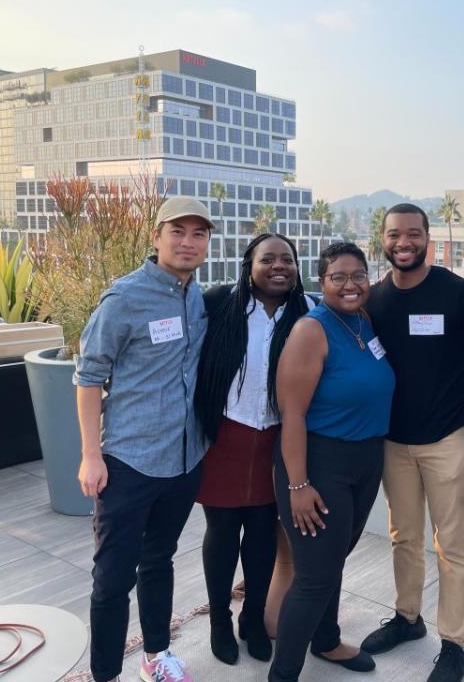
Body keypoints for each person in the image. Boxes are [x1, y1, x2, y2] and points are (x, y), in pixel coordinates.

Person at [74, 196, 213, 682]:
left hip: (183, 461)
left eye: (198, 234)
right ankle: (105, 673)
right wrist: (92, 456)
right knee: (112, 577)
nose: (188, 242)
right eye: (178, 231)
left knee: (160, 560)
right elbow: (88, 377)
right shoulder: (124, 298)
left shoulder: (196, 295)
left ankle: (156, 655)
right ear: (156, 238)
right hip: (129, 462)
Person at [360, 203, 464, 682]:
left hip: (446, 439)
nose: (404, 242)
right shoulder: (373, 300)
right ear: (384, 239)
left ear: (427, 237)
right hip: (393, 441)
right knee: (403, 537)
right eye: (395, 234)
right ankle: (408, 618)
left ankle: (456, 644)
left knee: (451, 544)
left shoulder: (457, 293)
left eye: (413, 233)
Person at [269, 242, 396, 682]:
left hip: (365, 459)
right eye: (337, 277)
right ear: (320, 282)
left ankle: (326, 640)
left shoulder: (362, 320)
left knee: (332, 560)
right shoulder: (311, 329)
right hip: (319, 463)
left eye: (358, 275)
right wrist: (298, 485)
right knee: (314, 578)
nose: (349, 284)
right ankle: (282, 674)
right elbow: (293, 414)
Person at [194, 233, 314, 665]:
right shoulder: (218, 302)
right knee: (223, 534)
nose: (278, 266)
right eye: (268, 259)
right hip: (225, 437)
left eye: (287, 260)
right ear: (249, 265)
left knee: (263, 536)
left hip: (276, 440)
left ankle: (252, 618)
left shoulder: (307, 313)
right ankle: (219, 623)